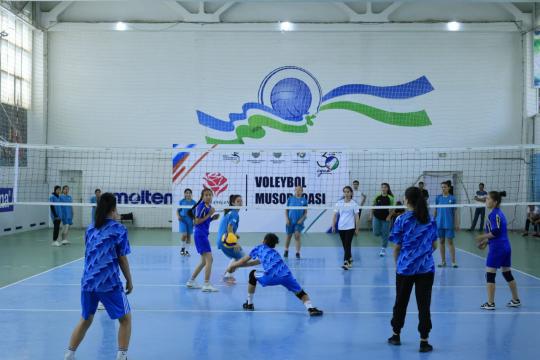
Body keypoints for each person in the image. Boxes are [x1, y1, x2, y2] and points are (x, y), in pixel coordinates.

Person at [64, 193, 133, 360]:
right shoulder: (119, 229)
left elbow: (88, 252)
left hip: (87, 282)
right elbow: (122, 259)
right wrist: (129, 280)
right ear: (114, 208)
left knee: (85, 319)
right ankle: (122, 356)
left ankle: (69, 354)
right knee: (125, 319)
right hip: (108, 283)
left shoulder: (90, 227)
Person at [388, 187, 437, 353]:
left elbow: (396, 247)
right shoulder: (430, 219)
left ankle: (396, 335)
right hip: (426, 268)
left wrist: (398, 264)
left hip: (405, 268)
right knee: (424, 304)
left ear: (407, 200)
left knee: (400, 302)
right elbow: (435, 245)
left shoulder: (401, 219)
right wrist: (422, 255)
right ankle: (424, 341)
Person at [227, 233, 323, 316]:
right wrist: (237, 267)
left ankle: (249, 304)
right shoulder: (274, 253)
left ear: (263, 240)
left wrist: (232, 266)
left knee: (252, 274)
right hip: (286, 275)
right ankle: (310, 308)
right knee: (300, 292)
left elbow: (244, 260)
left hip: (271, 277)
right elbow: (254, 263)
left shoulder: (259, 248)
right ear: (273, 245)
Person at [476, 191, 521, 310]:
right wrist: (486, 242)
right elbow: (498, 233)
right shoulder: (499, 213)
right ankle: (516, 299)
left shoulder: (494, 214)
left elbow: (495, 232)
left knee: (490, 275)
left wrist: (482, 237)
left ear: (495, 202)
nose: (486, 201)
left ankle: (490, 303)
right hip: (505, 247)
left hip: (497, 248)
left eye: (488, 199)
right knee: (507, 273)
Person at [186, 188, 220, 292]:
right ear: (202, 196)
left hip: (203, 234)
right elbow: (196, 222)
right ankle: (206, 284)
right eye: (206, 195)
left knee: (203, 261)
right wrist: (209, 215)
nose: (208, 197)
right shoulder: (201, 206)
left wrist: (212, 218)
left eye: (210, 195)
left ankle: (191, 281)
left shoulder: (208, 207)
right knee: (210, 259)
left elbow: (204, 220)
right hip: (200, 235)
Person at [332, 186, 360, 270]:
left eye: (348, 192)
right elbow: (334, 215)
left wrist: (357, 228)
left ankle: (346, 262)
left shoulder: (354, 204)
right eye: (345, 192)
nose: (346, 193)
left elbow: (357, 217)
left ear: (351, 193)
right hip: (341, 227)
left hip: (350, 227)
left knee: (347, 244)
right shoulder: (339, 203)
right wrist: (333, 225)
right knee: (345, 245)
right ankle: (350, 258)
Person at [217, 194, 244, 282]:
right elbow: (229, 228)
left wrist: (235, 235)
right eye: (238, 201)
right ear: (233, 203)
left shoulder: (230, 212)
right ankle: (227, 276)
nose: (240, 203)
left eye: (241, 201)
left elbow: (228, 228)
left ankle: (227, 274)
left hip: (222, 239)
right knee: (242, 258)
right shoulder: (234, 213)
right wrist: (235, 243)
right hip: (225, 241)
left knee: (238, 256)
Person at [434, 181, 459, 268]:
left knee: (450, 242)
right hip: (439, 223)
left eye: (445, 187)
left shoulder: (453, 198)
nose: (443, 188)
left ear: (449, 188)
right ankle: (443, 261)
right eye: (442, 187)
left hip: (449, 223)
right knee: (441, 241)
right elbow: (435, 210)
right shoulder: (438, 198)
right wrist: (433, 221)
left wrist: (457, 223)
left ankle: (453, 262)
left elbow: (455, 212)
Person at [370, 183, 395, 257]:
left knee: (385, 234)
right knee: (376, 233)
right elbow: (373, 206)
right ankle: (385, 236)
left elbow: (393, 208)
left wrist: (389, 216)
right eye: (382, 187)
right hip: (376, 217)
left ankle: (383, 248)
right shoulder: (377, 196)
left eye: (385, 187)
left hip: (386, 218)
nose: (383, 189)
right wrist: (371, 215)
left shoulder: (391, 197)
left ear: (388, 188)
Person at [284, 186, 308, 259]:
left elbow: (305, 212)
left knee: (297, 236)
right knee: (289, 236)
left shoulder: (304, 200)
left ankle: (297, 252)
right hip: (290, 220)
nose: (298, 191)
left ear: (302, 191)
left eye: (300, 190)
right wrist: (287, 219)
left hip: (299, 221)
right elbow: (286, 210)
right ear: (294, 191)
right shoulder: (290, 199)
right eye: (296, 190)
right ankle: (286, 250)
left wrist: (302, 219)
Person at [177, 188, 196, 256]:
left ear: (191, 194)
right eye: (186, 193)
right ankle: (182, 249)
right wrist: (178, 216)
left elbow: (195, 213)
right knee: (184, 234)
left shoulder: (194, 202)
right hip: (183, 219)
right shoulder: (181, 201)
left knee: (189, 236)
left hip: (190, 220)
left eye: (189, 193)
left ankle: (187, 251)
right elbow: (177, 210)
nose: (188, 194)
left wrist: (195, 220)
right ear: (184, 194)